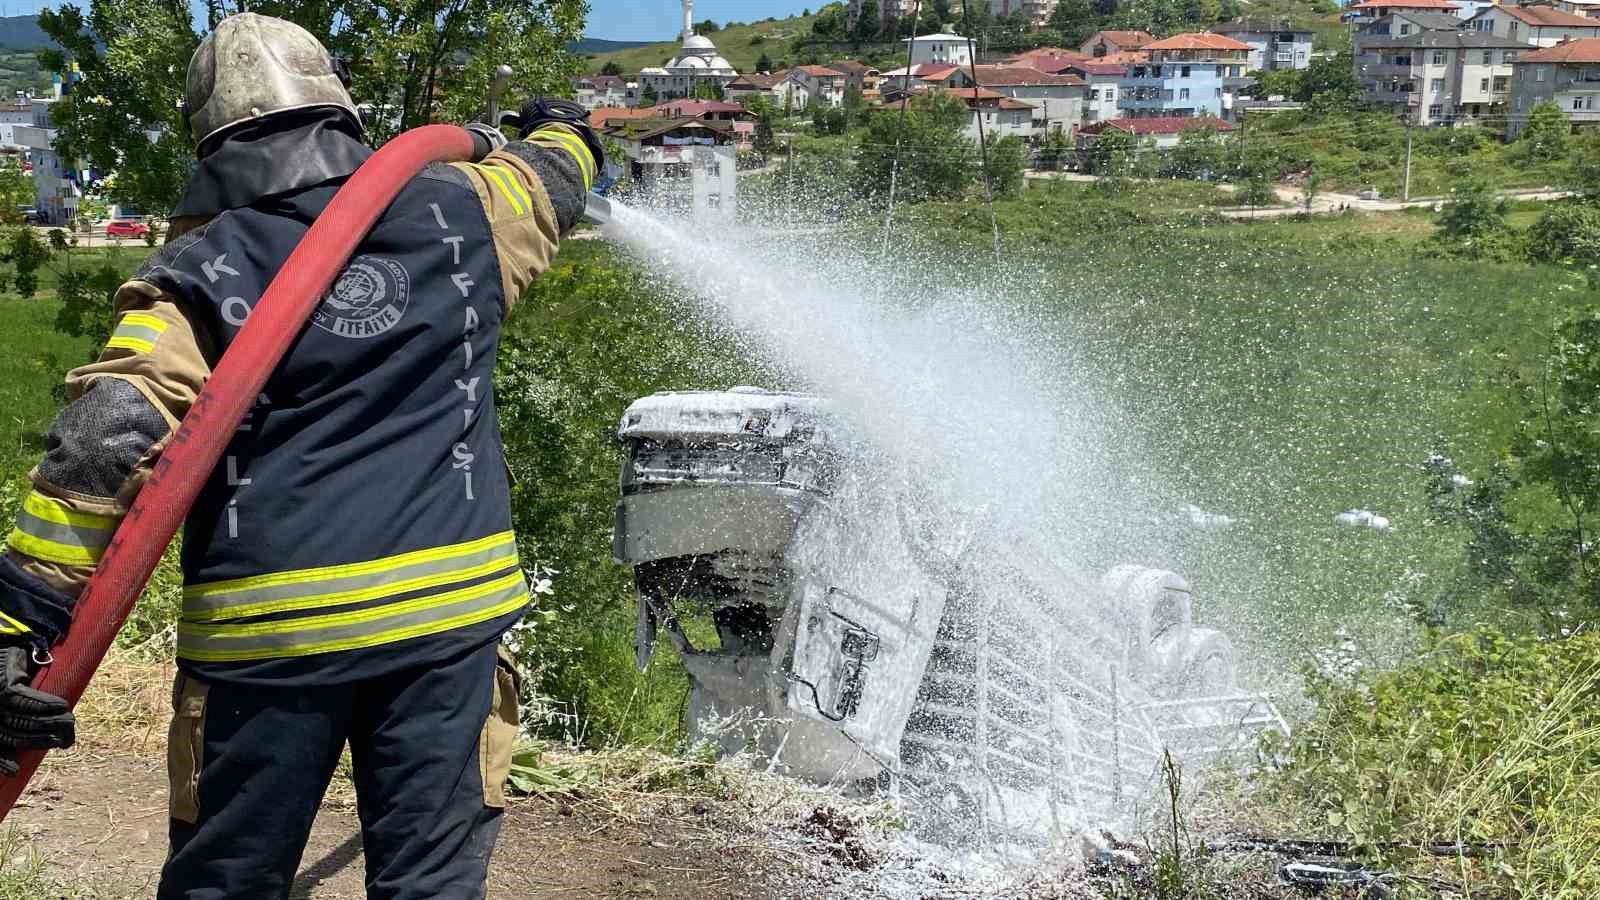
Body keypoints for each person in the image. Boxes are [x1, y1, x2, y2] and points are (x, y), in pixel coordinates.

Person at [0, 12, 601, 899]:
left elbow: (105, 442)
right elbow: (556, 180)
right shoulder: (469, 211)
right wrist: (566, 130)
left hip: (269, 645)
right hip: (447, 626)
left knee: (229, 882)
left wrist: (18, 622)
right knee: (433, 884)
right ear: (337, 108)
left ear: (208, 140)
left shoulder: (198, 272)